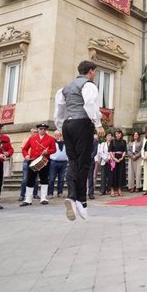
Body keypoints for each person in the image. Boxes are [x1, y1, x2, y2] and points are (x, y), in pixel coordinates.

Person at [54, 60, 106, 221]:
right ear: (90, 71)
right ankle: (81, 201)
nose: (95, 75)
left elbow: (59, 111)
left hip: (67, 125)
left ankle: (71, 195)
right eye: (95, 72)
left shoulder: (64, 89)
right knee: (83, 163)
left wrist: (59, 127)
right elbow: (90, 104)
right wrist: (98, 124)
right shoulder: (88, 85)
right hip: (82, 124)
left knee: (73, 161)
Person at [20, 123, 56, 206]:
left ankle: (43, 198)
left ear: (46, 130)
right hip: (32, 160)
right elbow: (25, 149)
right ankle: (28, 199)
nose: (42, 130)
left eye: (44, 129)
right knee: (30, 179)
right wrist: (26, 155)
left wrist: (47, 151)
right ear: (38, 130)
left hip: (44, 161)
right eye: (40, 129)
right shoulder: (32, 138)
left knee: (44, 179)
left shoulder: (50, 139)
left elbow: (54, 149)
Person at [18, 128, 38, 202]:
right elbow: (23, 149)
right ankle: (22, 195)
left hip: (35, 161)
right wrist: (26, 156)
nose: (35, 133)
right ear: (31, 132)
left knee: (35, 179)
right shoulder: (26, 140)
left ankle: (35, 194)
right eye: (34, 132)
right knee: (25, 179)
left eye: (36, 132)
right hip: (27, 160)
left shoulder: (38, 140)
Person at [48, 130, 68, 198]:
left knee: (61, 179)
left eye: (60, 135)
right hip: (54, 162)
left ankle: (60, 192)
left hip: (64, 162)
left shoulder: (66, 142)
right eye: (56, 135)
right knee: (52, 178)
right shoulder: (52, 142)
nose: (58, 136)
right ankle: (50, 193)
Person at [109, 129, 127, 197]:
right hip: (114, 159)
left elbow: (125, 150)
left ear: (121, 134)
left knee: (120, 174)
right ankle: (112, 190)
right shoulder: (112, 142)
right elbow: (110, 151)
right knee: (113, 174)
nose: (118, 135)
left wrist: (122, 157)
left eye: (119, 133)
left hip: (121, 159)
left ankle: (119, 189)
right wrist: (114, 158)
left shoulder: (124, 141)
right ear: (115, 135)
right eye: (116, 134)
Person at [87, 133, 99, 200]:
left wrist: (88, 157)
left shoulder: (95, 141)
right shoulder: (83, 139)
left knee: (90, 177)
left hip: (91, 161)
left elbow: (95, 151)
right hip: (83, 161)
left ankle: (90, 193)